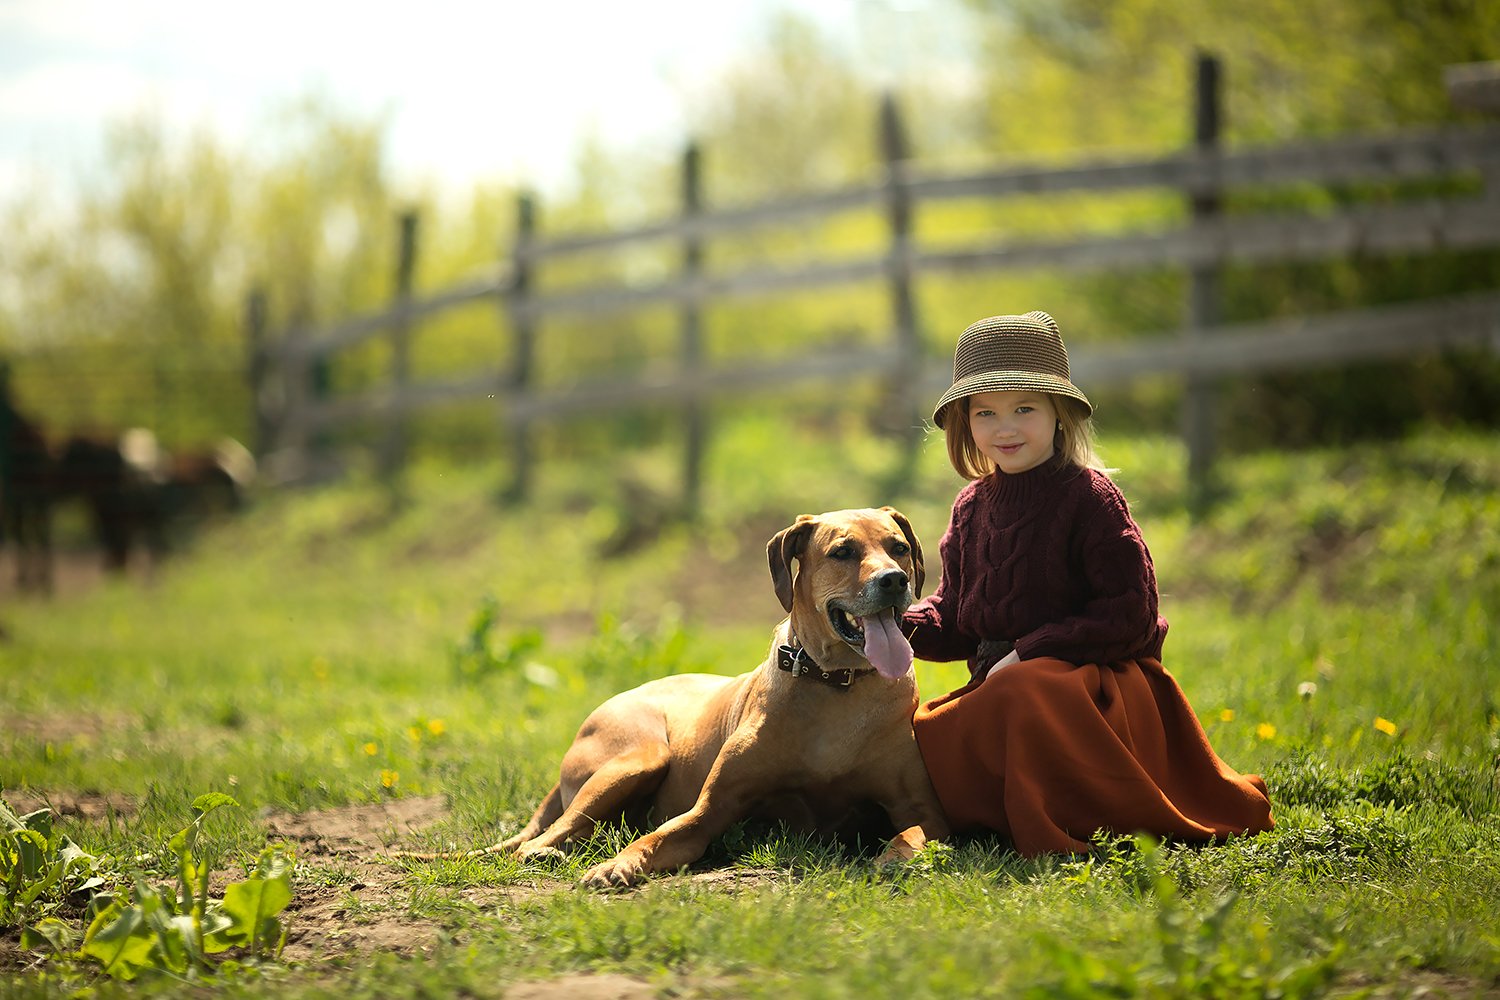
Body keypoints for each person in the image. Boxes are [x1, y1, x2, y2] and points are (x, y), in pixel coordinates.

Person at [902, 311, 1273, 855]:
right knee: (928, 728)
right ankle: (981, 812)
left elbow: (1130, 614)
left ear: (1060, 415)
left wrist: (1030, 651)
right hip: (1010, 689)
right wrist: (885, 623)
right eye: (986, 412)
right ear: (966, 423)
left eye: (1024, 408)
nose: (1005, 428)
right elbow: (956, 618)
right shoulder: (971, 508)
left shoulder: (1088, 497)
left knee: (1021, 689)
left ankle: (1064, 814)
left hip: (1098, 684)